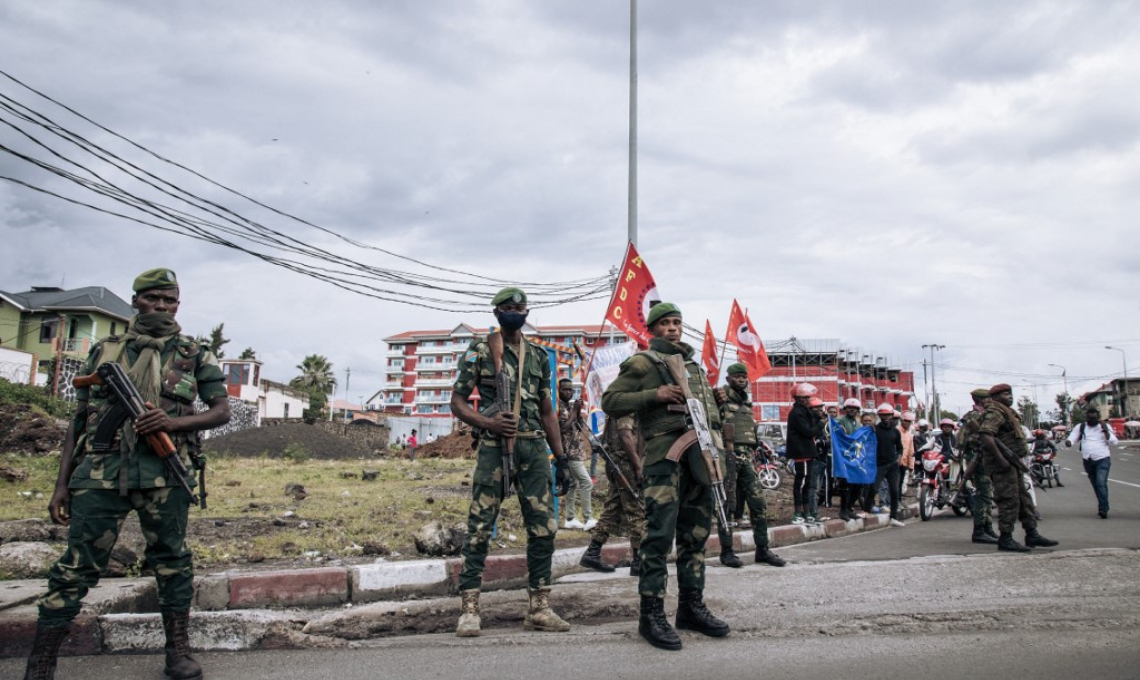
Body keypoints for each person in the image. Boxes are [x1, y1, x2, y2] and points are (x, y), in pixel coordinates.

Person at [24, 268, 231, 680]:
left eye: (169, 300)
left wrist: (170, 425)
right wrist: (61, 485)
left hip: (165, 475)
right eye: (153, 299)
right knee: (75, 568)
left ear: (178, 304)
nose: (161, 306)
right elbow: (79, 421)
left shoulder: (194, 354)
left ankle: (178, 653)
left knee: (172, 563)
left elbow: (220, 410)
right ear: (136, 301)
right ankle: (41, 663)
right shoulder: (104, 350)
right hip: (99, 475)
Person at [602, 302, 730, 651]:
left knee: (696, 537)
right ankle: (651, 615)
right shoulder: (643, 363)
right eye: (665, 324)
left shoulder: (694, 368)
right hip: (665, 462)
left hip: (700, 461)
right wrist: (654, 394)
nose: (673, 328)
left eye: (677, 323)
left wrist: (716, 401)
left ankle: (690, 607)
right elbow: (610, 401)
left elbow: (705, 417)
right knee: (657, 538)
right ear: (653, 330)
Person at [449, 287, 571, 637]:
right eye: (508, 307)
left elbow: (547, 411)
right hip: (493, 447)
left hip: (533, 450)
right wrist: (488, 423)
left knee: (543, 528)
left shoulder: (537, 355)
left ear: (526, 312)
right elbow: (457, 402)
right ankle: (470, 608)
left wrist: (560, 457)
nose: (515, 312)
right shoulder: (480, 350)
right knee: (479, 527)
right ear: (497, 313)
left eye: (520, 307)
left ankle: (539, 607)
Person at [715, 363, 786, 568]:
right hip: (727, 456)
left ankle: (762, 549)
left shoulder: (746, 404)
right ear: (728, 379)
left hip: (747, 458)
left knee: (758, 503)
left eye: (744, 377)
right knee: (727, 504)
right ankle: (727, 552)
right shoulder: (720, 399)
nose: (742, 380)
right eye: (737, 377)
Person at [978, 384, 1058, 552]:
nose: (1010, 397)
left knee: (1024, 499)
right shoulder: (995, 412)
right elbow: (986, 436)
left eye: (1011, 393)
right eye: (1005, 394)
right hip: (1002, 465)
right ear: (995, 397)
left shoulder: (1007, 412)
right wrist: (1001, 459)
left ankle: (1032, 533)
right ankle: (1006, 538)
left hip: (1013, 462)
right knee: (1008, 500)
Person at [579, 413, 646, 576]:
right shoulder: (627, 403)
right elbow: (625, 434)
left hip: (620, 463)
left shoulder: (624, 401)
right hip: (626, 463)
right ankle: (638, 561)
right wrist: (638, 465)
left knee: (612, 509)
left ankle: (592, 552)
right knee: (636, 508)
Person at [957, 389, 999, 544]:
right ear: (982, 400)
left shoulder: (976, 415)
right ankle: (979, 530)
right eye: (989, 399)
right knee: (983, 494)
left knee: (987, 493)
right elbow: (973, 439)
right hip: (978, 457)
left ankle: (988, 528)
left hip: (980, 457)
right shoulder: (976, 416)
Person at [1065, 406, 1119, 518]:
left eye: (1094, 419)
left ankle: (1104, 508)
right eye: (1089, 418)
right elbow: (1072, 437)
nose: (1092, 421)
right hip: (1088, 460)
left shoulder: (1105, 426)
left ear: (1098, 418)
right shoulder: (1081, 426)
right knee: (1095, 485)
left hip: (1102, 459)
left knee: (1100, 483)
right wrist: (1069, 442)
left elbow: (1114, 442)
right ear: (1086, 418)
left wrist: (1105, 431)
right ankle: (1102, 505)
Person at [557, 378, 595, 530]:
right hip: (568, 453)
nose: (568, 392)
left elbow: (577, 427)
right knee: (586, 482)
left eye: (570, 390)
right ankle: (588, 518)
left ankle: (570, 518)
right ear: (559, 391)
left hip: (576, 450)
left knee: (573, 484)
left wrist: (578, 411)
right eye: (565, 389)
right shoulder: (559, 407)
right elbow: (562, 429)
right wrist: (573, 412)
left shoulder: (570, 406)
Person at [786, 383, 824, 525]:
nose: (807, 400)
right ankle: (798, 513)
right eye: (803, 398)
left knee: (807, 484)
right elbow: (808, 431)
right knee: (801, 483)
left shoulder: (806, 412)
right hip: (801, 452)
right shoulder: (797, 413)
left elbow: (814, 430)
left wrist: (818, 419)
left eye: (808, 397)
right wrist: (820, 424)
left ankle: (807, 512)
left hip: (808, 451)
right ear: (797, 398)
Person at [865, 404, 905, 527]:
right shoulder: (875, 430)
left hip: (892, 465)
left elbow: (900, 448)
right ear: (880, 416)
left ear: (892, 416)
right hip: (879, 464)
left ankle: (893, 517)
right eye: (883, 415)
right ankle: (867, 509)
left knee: (894, 491)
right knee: (873, 488)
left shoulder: (895, 431)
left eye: (888, 415)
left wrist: (898, 458)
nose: (886, 417)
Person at [835, 398, 864, 520]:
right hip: (843, 457)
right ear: (845, 409)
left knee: (857, 486)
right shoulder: (840, 420)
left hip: (855, 458)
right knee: (845, 486)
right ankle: (843, 511)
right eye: (849, 408)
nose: (852, 410)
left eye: (854, 408)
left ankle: (849, 508)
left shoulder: (858, 425)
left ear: (858, 410)